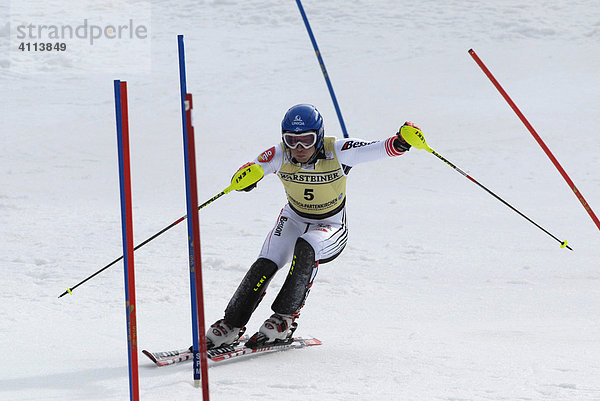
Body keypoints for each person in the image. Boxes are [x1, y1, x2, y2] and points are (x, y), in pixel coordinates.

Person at [206, 103, 418, 349]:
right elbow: (254, 168)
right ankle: (231, 324)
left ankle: (284, 320)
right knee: (266, 262)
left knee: (306, 248)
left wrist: (401, 141)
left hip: (330, 225)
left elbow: (379, 148)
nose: (299, 148)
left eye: (307, 140)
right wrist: (245, 178)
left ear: (319, 136)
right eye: (291, 140)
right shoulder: (279, 154)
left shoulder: (339, 151)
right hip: (294, 219)